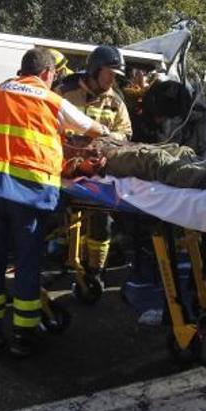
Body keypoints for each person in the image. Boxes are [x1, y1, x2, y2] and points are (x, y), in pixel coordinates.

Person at [0, 48, 108, 357]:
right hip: (26, 192)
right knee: (27, 261)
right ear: (47, 74)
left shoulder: (0, 90)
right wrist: (108, 133)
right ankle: (23, 332)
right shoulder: (49, 99)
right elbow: (88, 126)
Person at [57, 45, 134, 286]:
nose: (114, 79)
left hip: (98, 171)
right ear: (94, 69)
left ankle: (95, 271)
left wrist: (106, 142)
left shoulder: (115, 101)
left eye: (117, 75)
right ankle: (63, 260)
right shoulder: (65, 92)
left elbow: (126, 133)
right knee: (56, 219)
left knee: (102, 222)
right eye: (110, 72)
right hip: (65, 170)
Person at [62, 136, 206, 191]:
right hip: (102, 160)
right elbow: (61, 168)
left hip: (113, 144)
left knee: (181, 152)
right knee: (156, 162)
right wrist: (84, 167)